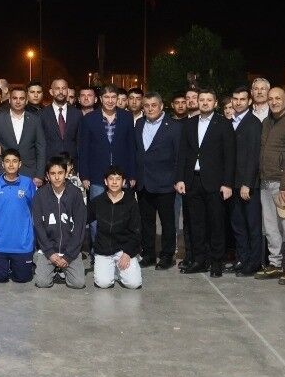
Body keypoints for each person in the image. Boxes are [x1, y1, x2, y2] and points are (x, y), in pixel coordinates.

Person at [176, 88, 234, 276]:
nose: (205, 103)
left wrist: (227, 183)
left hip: (215, 182)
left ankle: (216, 262)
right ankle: (199, 260)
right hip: (192, 180)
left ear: (215, 103)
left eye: (209, 100)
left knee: (216, 223)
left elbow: (230, 156)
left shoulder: (223, 124)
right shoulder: (189, 124)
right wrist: (180, 178)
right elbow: (183, 153)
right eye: (202, 100)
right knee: (196, 223)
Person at [255, 86, 285, 282]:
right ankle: (275, 263)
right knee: (270, 227)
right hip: (266, 182)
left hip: (283, 185)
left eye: (278, 98)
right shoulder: (267, 122)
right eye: (271, 99)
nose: (274, 102)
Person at [133, 92, 180, 269]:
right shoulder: (139, 124)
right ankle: (149, 254)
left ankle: (167, 256)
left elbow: (178, 155)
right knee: (146, 222)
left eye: (154, 105)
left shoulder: (174, 126)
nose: (150, 109)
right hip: (144, 182)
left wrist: (177, 179)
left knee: (167, 222)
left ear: (161, 106)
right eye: (146, 106)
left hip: (166, 182)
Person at [33, 157, 86, 288]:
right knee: (42, 283)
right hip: (49, 250)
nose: (57, 177)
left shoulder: (75, 193)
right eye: (53, 173)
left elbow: (79, 227)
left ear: (66, 173)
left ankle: (63, 269)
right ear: (47, 176)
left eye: (60, 173)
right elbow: (38, 226)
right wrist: (50, 253)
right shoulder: (40, 194)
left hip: (70, 251)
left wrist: (68, 256)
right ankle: (41, 259)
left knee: (78, 283)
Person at [227, 86, 264, 275]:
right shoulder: (230, 122)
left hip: (248, 185)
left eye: (242, 99)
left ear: (249, 101)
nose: (238, 102)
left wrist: (247, 184)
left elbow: (254, 156)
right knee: (238, 225)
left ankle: (254, 262)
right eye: (235, 99)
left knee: (252, 225)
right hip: (232, 184)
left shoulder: (253, 123)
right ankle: (242, 258)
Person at [0, 149, 37, 283]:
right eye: (7, 161)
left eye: (14, 161)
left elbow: (36, 210)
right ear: (2, 164)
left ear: (20, 164)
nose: (11, 164)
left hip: (22, 244)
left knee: (23, 279)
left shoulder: (28, 183)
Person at [77, 85, 136, 199]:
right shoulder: (89, 119)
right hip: (97, 176)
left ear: (117, 98)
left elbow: (131, 147)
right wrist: (84, 176)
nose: (110, 101)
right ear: (100, 98)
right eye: (106, 97)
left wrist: (132, 174)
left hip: (121, 174)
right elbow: (84, 149)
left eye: (113, 97)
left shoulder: (127, 117)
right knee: (98, 208)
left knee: (122, 208)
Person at [92, 168, 143, 289]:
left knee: (134, 284)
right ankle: (111, 269)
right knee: (103, 283)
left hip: (123, 249)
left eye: (118, 179)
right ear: (105, 181)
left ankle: (123, 268)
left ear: (123, 182)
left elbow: (137, 231)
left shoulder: (131, 202)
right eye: (111, 179)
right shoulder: (97, 202)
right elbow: (83, 219)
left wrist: (127, 253)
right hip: (104, 250)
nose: (114, 182)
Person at [0, 85, 47, 182]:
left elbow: (41, 148)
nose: (18, 101)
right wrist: (3, 171)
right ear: (9, 100)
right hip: (4, 175)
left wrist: (39, 175)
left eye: (22, 98)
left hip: (30, 175)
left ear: (26, 101)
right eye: (15, 98)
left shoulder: (35, 120)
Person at [40, 78, 80, 162]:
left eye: (64, 88)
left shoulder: (77, 114)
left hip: (72, 163)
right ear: (51, 92)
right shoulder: (41, 114)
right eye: (57, 88)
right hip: (49, 163)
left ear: (68, 91)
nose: (61, 91)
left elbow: (80, 141)